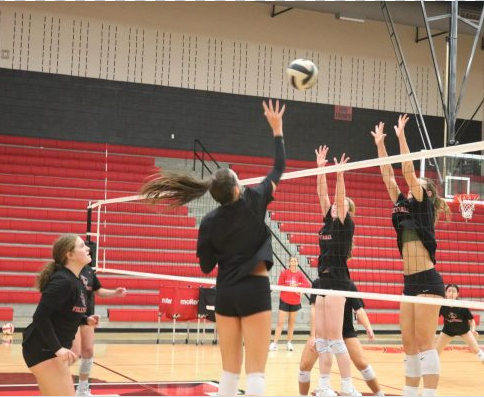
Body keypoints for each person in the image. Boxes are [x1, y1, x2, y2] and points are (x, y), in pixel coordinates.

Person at [140, 99, 286, 396]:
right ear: (236, 188)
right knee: (256, 370)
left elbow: (206, 266)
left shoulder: (208, 221)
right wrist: (277, 130)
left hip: (226, 293)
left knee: (229, 371)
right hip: (254, 290)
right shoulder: (254, 201)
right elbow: (279, 167)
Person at [371, 115, 451, 397]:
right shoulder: (402, 203)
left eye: (419, 183)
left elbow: (406, 171)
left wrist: (402, 137)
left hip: (428, 280)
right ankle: (409, 393)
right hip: (409, 283)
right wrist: (381, 145)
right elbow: (387, 175)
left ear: (427, 192)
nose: (412, 185)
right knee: (408, 343)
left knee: (424, 341)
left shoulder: (423, 203)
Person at [22, 234, 100, 396]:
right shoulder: (63, 281)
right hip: (43, 350)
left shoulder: (76, 280)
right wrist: (57, 349)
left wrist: (86, 319)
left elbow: (65, 311)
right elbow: (40, 317)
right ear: (69, 255)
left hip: (48, 350)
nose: (87, 249)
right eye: (81, 246)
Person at [313, 145, 360, 397]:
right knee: (321, 339)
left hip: (338, 282)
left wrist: (340, 174)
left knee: (334, 338)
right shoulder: (328, 221)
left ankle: (346, 387)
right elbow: (323, 196)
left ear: (345, 212)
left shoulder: (344, 225)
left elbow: (339, 201)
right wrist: (321, 169)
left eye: (338, 206)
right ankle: (323, 386)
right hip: (322, 281)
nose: (332, 206)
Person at [299, 279, 385, 397]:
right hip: (322, 332)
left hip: (345, 331)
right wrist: (312, 335)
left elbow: (359, 309)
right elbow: (314, 308)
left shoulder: (347, 284)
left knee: (362, 363)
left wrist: (368, 327)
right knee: (304, 365)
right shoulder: (318, 283)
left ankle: (379, 394)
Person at [72, 251, 127, 397]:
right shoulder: (66, 271)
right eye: (83, 247)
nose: (88, 250)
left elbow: (98, 290)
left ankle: (82, 389)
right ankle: (57, 387)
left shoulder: (89, 271)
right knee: (73, 353)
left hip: (87, 316)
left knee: (88, 351)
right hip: (70, 316)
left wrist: (114, 293)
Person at [436, 284, 484, 385]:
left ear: (457, 294)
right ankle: (430, 371)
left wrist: (473, 330)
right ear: (446, 293)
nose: (451, 293)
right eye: (449, 291)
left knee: (478, 352)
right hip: (448, 331)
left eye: (453, 291)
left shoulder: (462, 306)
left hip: (464, 331)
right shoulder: (442, 305)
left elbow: (472, 320)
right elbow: (434, 318)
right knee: (435, 353)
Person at [269, 256, 311, 352]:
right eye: (292, 261)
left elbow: (308, 285)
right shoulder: (284, 273)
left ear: (297, 263)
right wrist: (290, 286)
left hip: (295, 301)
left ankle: (289, 343)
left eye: (295, 261)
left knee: (291, 323)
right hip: (284, 300)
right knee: (280, 323)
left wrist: (298, 285)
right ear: (289, 263)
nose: (293, 262)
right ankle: (275, 343)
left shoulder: (300, 275)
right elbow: (279, 285)